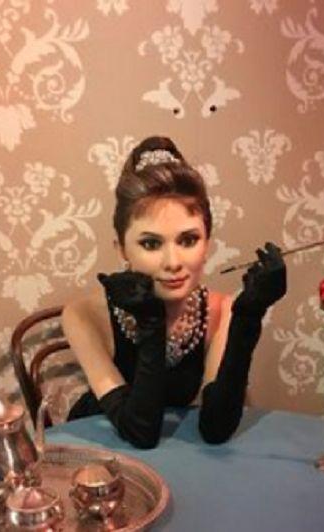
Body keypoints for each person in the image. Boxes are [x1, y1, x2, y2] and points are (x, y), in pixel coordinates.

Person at [61, 136, 286, 449]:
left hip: (179, 452)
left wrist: (249, 316)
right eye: (151, 243)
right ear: (122, 249)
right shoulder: (83, 315)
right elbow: (140, 432)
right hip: (103, 452)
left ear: (207, 244)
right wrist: (151, 323)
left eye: (188, 240)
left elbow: (216, 429)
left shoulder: (222, 310)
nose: (173, 262)